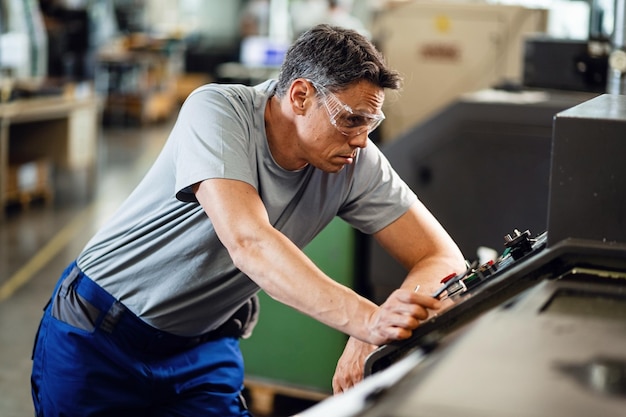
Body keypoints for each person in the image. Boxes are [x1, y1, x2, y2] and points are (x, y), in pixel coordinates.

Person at [30, 24, 466, 416]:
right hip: (102, 333)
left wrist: (379, 332)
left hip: (202, 346)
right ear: (300, 95)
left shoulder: (357, 159)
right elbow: (249, 241)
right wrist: (367, 320)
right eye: (351, 120)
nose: (361, 140)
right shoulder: (218, 111)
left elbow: (441, 256)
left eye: (370, 123)